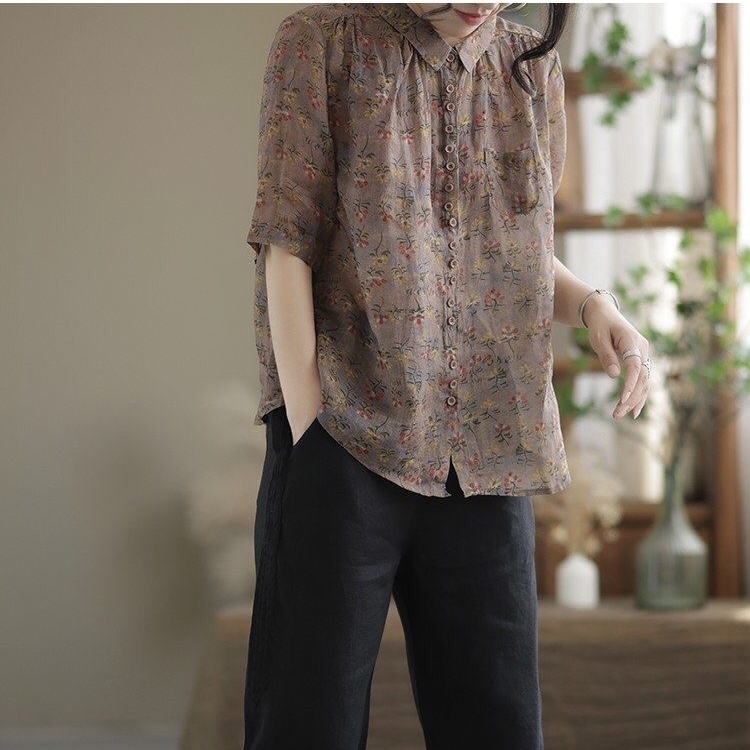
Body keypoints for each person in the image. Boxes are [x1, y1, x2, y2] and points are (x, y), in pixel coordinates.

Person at [242, 4, 651, 749]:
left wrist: (597, 305)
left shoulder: (531, 66)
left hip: (490, 457)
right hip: (346, 439)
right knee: (308, 726)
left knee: (497, 730)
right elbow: (286, 239)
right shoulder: (322, 42)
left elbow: (516, 245)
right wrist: (309, 432)